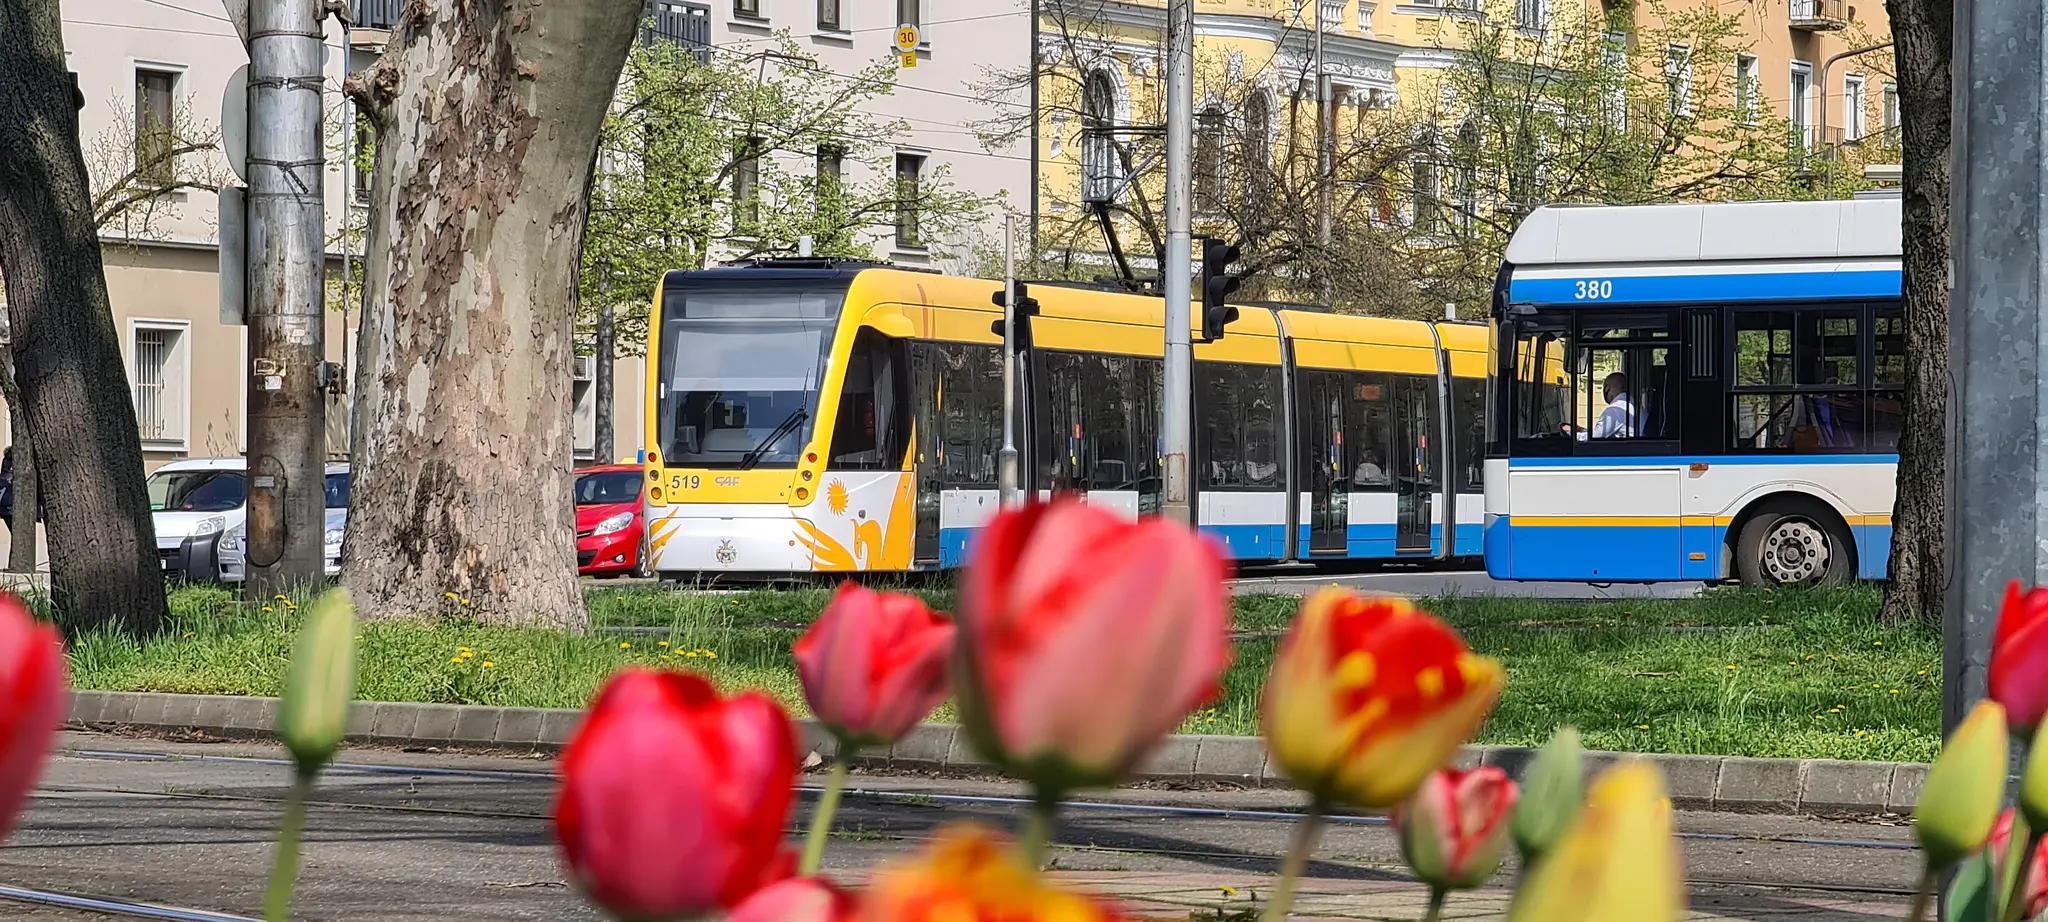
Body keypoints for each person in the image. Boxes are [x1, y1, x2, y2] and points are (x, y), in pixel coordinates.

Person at [1574, 373, 1635, 441]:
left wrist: (1571, 433)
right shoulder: (1632, 404)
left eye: (1604, 386)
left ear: (1607, 388)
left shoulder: (1615, 409)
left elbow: (1594, 438)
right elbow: (1602, 432)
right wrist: (1582, 430)